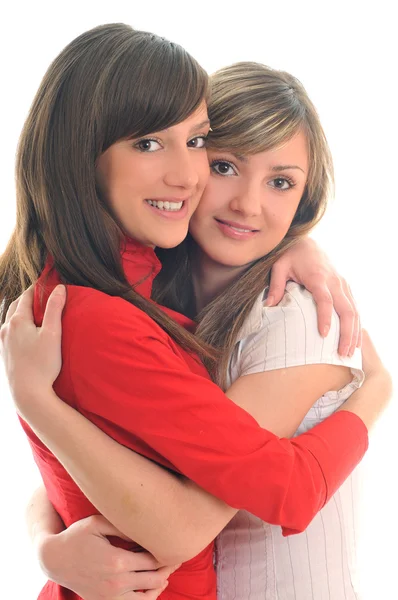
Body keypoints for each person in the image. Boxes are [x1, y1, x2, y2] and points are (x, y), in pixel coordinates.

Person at [0, 23, 391, 600]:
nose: (247, 203)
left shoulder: (292, 315)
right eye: (227, 165)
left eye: (281, 182)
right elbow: (140, 482)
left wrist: (379, 383)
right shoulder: (127, 303)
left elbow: (163, 492)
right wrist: (45, 545)